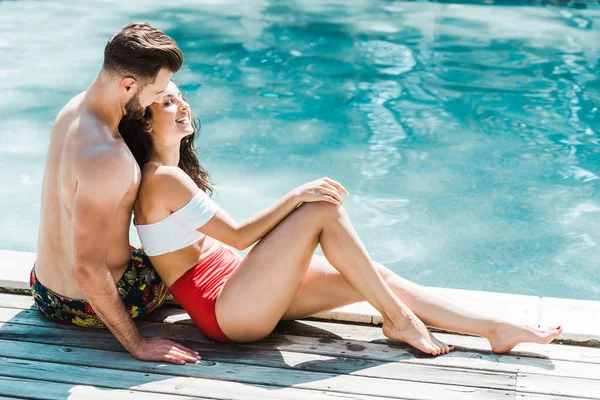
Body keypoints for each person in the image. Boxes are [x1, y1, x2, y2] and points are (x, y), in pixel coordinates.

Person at [119, 81, 563, 360]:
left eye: (179, 95)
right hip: (227, 314)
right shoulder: (162, 179)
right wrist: (295, 195)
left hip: (240, 291)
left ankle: (495, 330)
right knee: (320, 208)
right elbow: (236, 238)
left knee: (371, 275)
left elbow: (228, 248)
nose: (181, 104)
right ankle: (400, 321)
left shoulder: (174, 174)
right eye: (166, 101)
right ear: (147, 125)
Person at [31, 23, 200, 365]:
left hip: (43, 287)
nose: (159, 98)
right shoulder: (107, 157)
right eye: (159, 91)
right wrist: (137, 345)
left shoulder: (75, 108)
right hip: (84, 303)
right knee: (190, 254)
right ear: (127, 85)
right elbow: (87, 269)